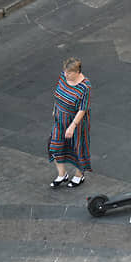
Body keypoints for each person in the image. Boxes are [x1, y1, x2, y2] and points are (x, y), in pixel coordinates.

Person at [48, 57, 91, 188]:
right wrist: (55, 109)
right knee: (54, 146)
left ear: (77, 71)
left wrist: (72, 126)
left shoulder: (85, 86)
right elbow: (58, 93)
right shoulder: (63, 77)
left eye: (69, 73)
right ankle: (62, 174)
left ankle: (79, 175)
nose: (66, 75)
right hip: (60, 119)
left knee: (78, 147)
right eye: (65, 72)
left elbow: (83, 109)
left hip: (75, 122)